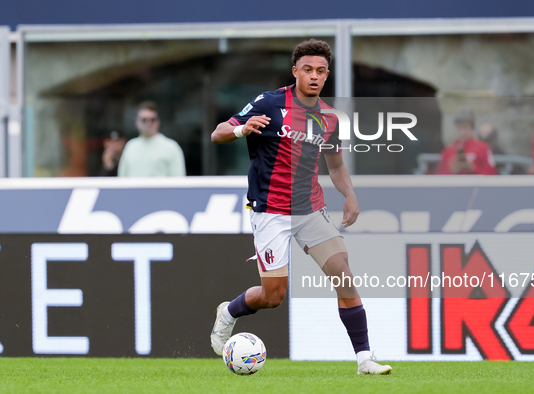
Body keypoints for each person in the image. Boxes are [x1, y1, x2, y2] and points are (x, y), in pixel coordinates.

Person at [209, 39, 392, 375]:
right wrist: (241, 129)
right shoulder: (270, 102)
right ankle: (230, 312)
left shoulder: (330, 118)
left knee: (343, 274)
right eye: (307, 69)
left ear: (326, 76)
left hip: (310, 210)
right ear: (295, 71)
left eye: (321, 71)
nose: (314, 76)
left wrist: (349, 196)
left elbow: (335, 166)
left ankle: (364, 358)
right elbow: (217, 133)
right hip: (270, 212)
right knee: (273, 295)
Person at [118, 101, 186, 177]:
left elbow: (179, 181)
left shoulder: (171, 147)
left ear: (158, 122)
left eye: (152, 119)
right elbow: (122, 179)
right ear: (137, 122)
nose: (148, 123)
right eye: (144, 120)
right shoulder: (130, 146)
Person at [436, 109, 497, 175]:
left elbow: (493, 174)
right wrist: (451, 170)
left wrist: (473, 169)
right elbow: (438, 176)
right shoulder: (448, 151)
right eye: (459, 127)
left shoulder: (483, 148)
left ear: (472, 128)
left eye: (465, 127)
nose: (462, 131)